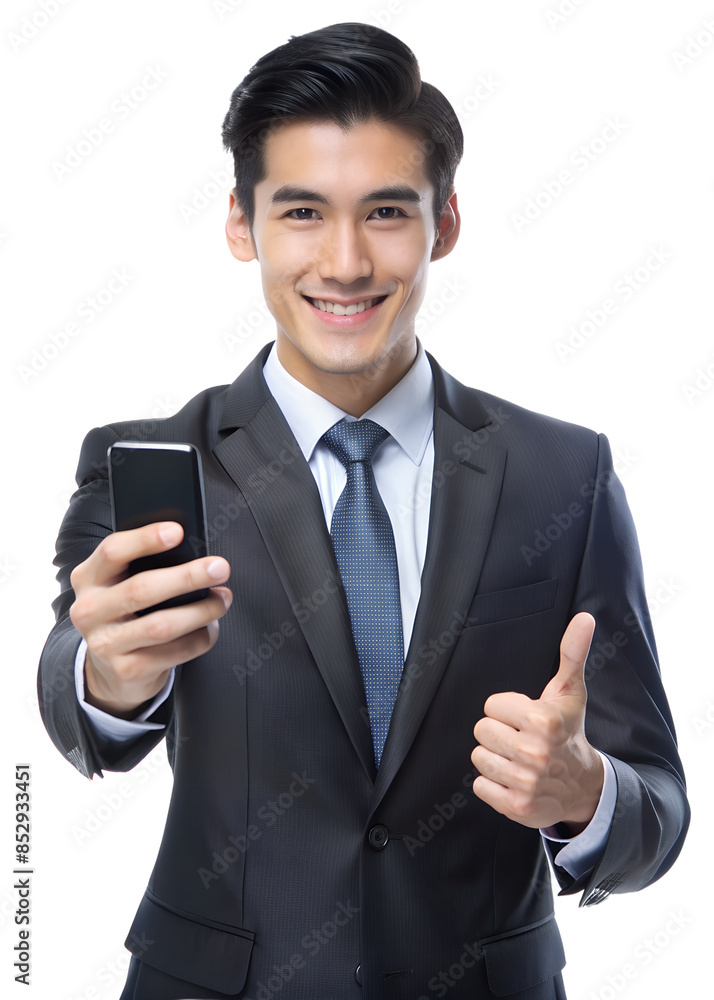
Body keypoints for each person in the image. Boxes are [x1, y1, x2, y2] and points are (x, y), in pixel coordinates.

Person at [37, 22, 689, 1000]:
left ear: (447, 223)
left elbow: (660, 810)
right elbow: (72, 700)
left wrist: (586, 794)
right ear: (241, 225)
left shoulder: (564, 476)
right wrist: (109, 675)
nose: (343, 263)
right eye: (302, 212)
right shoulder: (158, 463)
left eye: (386, 211)